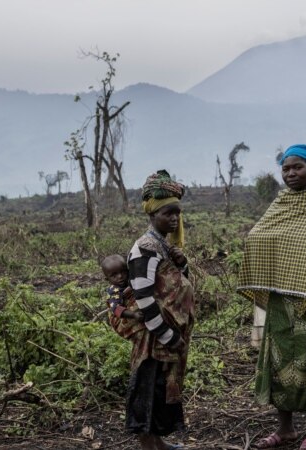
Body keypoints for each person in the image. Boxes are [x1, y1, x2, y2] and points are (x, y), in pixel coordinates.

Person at [237, 144, 306, 450]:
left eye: (297, 167)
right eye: (285, 168)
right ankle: (285, 428)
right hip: (280, 299)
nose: (290, 174)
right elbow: (257, 237)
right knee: (278, 360)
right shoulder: (280, 203)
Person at [122, 169, 195, 450]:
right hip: (153, 337)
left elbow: (177, 282)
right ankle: (148, 444)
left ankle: (158, 443)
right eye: (167, 213)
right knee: (147, 387)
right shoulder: (145, 248)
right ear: (152, 215)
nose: (174, 219)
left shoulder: (164, 246)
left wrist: (181, 262)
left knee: (160, 388)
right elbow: (144, 297)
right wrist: (167, 335)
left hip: (163, 333)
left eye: (177, 212)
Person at [101, 254, 144, 322]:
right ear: (107, 279)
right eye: (114, 275)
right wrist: (133, 315)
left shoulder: (130, 279)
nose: (120, 276)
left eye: (123, 271)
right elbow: (116, 308)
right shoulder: (114, 291)